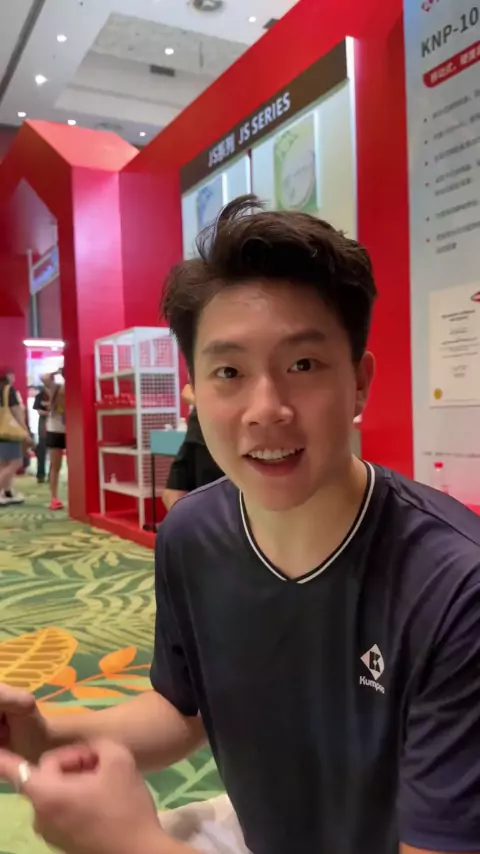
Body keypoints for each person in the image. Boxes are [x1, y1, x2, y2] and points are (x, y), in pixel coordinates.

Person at [1, 195, 480, 854]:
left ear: (360, 382)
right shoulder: (192, 535)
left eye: (303, 365)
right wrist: (46, 735)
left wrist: (136, 845)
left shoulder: (455, 587)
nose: (266, 408)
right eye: (228, 372)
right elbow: (184, 711)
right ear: (195, 395)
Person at [163, 383, 224, 511]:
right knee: (172, 494)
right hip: (193, 438)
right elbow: (187, 391)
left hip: (214, 440)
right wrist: (207, 401)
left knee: (209, 497)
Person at [0, 369, 29, 505]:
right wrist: (25, 431)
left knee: (3, 463)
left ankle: (7, 492)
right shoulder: (8, 390)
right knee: (16, 462)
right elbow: (16, 412)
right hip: (8, 431)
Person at [43, 370, 66, 511]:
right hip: (56, 429)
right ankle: (54, 498)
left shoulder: (75, 387)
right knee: (55, 466)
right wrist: (57, 371)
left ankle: (56, 498)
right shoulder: (56, 386)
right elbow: (44, 377)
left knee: (72, 466)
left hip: (71, 430)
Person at [33, 382, 50, 483]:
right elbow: (39, 411)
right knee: (42, 449)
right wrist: (50, 413)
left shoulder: (56, 393)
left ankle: (51, 475)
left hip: (55, 422)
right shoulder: (40, 396)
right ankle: (40, 475)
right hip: (44, 423)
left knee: (53, 450)